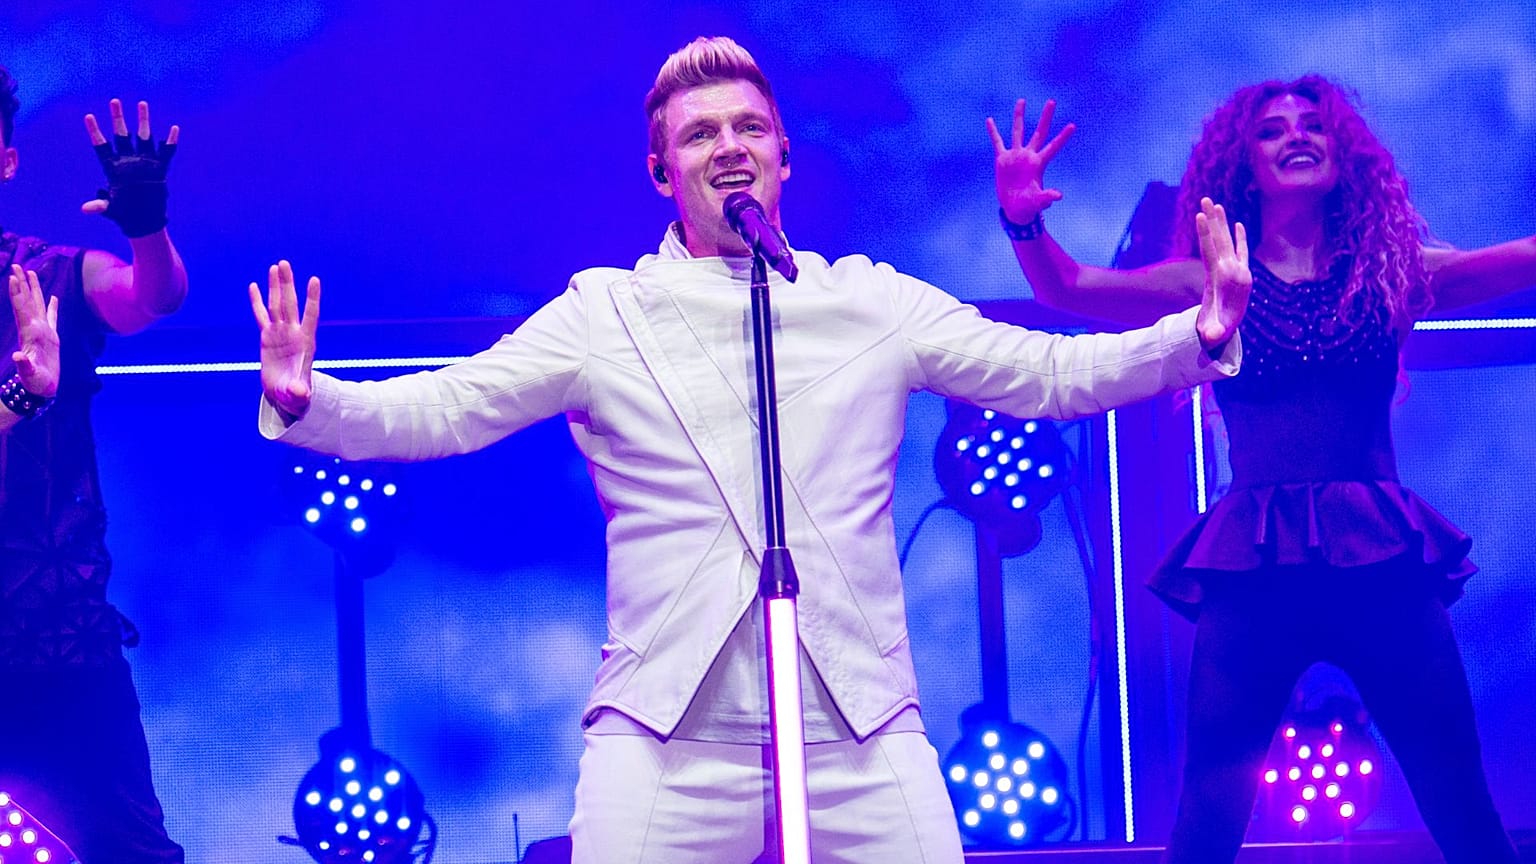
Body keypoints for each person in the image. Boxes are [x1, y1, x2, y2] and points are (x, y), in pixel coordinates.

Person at [252, 37, 1247, 863]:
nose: (728, 147)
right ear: (661, 171)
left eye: (749, 128)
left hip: (857, 729)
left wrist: (1196, 336)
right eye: (699, 134)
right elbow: (451, 410)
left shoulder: (867, 302)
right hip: (668, 735)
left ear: (782, 157)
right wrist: (315, 402)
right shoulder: (608, 313)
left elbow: (1046, 375)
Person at [989, 77, 1534, 863]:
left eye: (1313, 125)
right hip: (1256, 568)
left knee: (1461, 801)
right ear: (1247, 163)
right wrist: (1022, 216)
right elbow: (1068, 288)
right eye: (1273, 131)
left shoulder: (1394, 268)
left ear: (1344, 154)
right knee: (1208, 818)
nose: (1296, 136)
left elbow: (1521, 259)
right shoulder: (1207, 280)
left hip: (1380, 564)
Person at [0, 65, 188, 863]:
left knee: (132, 852)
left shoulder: (51, 275)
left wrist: (147, 229)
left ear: (6, 158)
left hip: (60, 638)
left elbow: (153, 298)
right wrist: (18, 396)